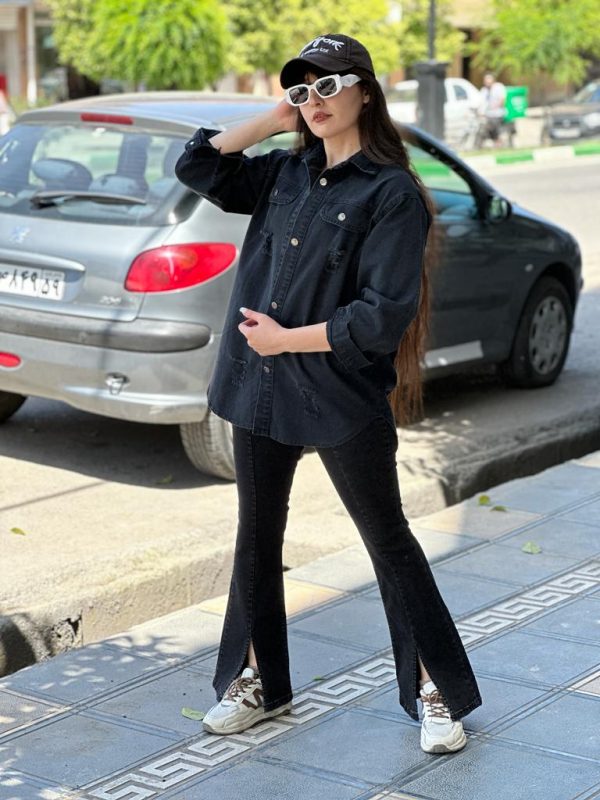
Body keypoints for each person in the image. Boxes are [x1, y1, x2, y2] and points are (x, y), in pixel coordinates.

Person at [175, 33, 482, 755]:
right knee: (257, 535)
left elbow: (380, 318)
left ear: (365, 92)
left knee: (388, 542)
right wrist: (272, 118)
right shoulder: (284, 172)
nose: (314, 100)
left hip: (338, 392)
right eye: (301, 88)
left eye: (328, 85)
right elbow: (197, 164)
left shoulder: (391, 193)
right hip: (258, 385)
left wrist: (289, 339)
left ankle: (436, 690)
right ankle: (257, 680)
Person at [478, 71, 507, 147]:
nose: (487, 82)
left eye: (489, 79)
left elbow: (502, 100)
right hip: (488, 114)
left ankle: (498, 141)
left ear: (493, 80)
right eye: (485, 80)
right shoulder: (484, 90)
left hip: (498, 113)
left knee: (493, 123)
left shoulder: (499, 87)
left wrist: (495, 106)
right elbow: (481, 102)